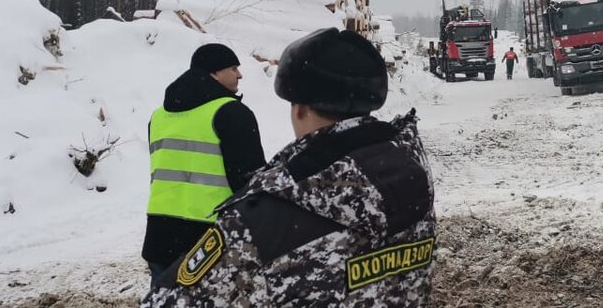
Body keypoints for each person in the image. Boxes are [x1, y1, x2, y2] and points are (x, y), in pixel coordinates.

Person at [144, 28, 435, 307]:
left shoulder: (263, 224)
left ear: (299, 109)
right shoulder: (414, 178)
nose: (240, 73)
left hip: (163, 234)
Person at [143, 43, 265, 287]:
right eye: (233, 68)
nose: (240, 75)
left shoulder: (158, 116)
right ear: (214, 72)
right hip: (212, 242)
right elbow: (250, 182)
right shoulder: (231, 112)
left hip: (160, 237)